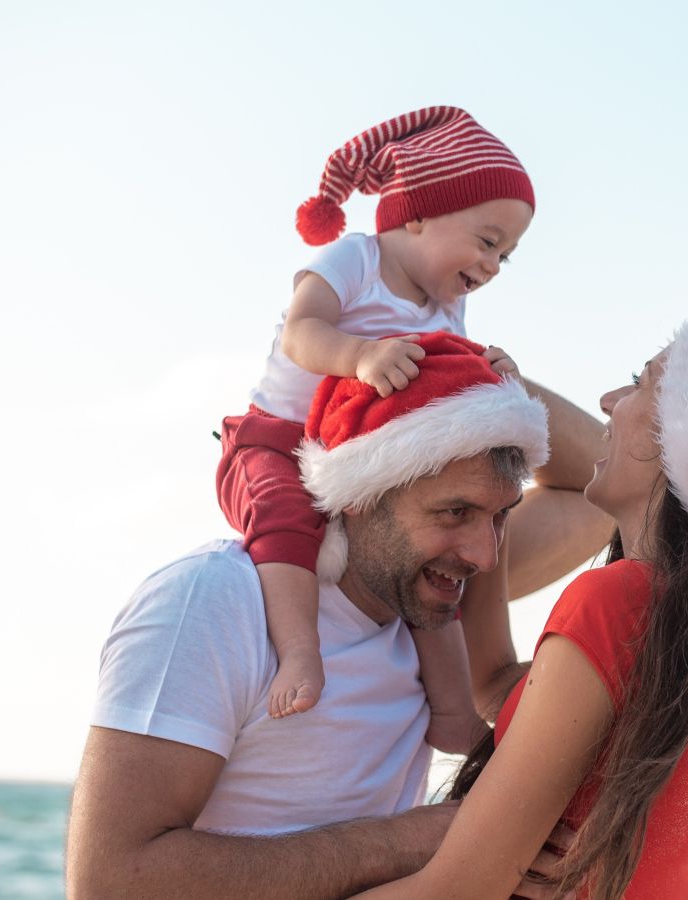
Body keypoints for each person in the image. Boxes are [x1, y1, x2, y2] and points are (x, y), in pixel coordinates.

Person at [357, 296, 688, 899]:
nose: (607, 402)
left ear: (684, 440)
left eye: (638, 383)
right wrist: (503, 426)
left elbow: (452, 892)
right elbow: (499, 685)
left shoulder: (617, 600)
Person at [67, 333, 613, 899]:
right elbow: (110, 883)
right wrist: (415, 842)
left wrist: (486, 378)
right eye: (456, 512)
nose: (484, 556)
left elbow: (596, 498)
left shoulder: (431, 601)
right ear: (360, 492)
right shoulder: (211, 601)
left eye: (500, 517)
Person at [216, 107, 535, 756]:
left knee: (427, 567)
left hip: (360, 461)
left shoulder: (448, 305)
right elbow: (303, 332)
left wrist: (495, 375)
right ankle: (301, 655)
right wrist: (358, 357)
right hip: (277, 440)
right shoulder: (353, 259)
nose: (495, 263)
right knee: (284, 520)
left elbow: (445, 385)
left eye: (506, 253)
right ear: (416, 214)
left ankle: (452, 710)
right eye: (487, 240)